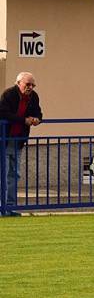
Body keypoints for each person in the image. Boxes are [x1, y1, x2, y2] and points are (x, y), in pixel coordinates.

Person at [0, 72, 43, 217]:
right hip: (4, 139)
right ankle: (2, 207)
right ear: (18, 83)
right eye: (27, 84)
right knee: (3, 174)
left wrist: (37, 119)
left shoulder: (33, 97)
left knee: (14, 174)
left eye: (32, 85)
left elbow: (39, 113)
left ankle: (10, 207)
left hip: (18, 140)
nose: (30, 87)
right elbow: (2, 113)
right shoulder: (9, 94)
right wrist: (23, 120)